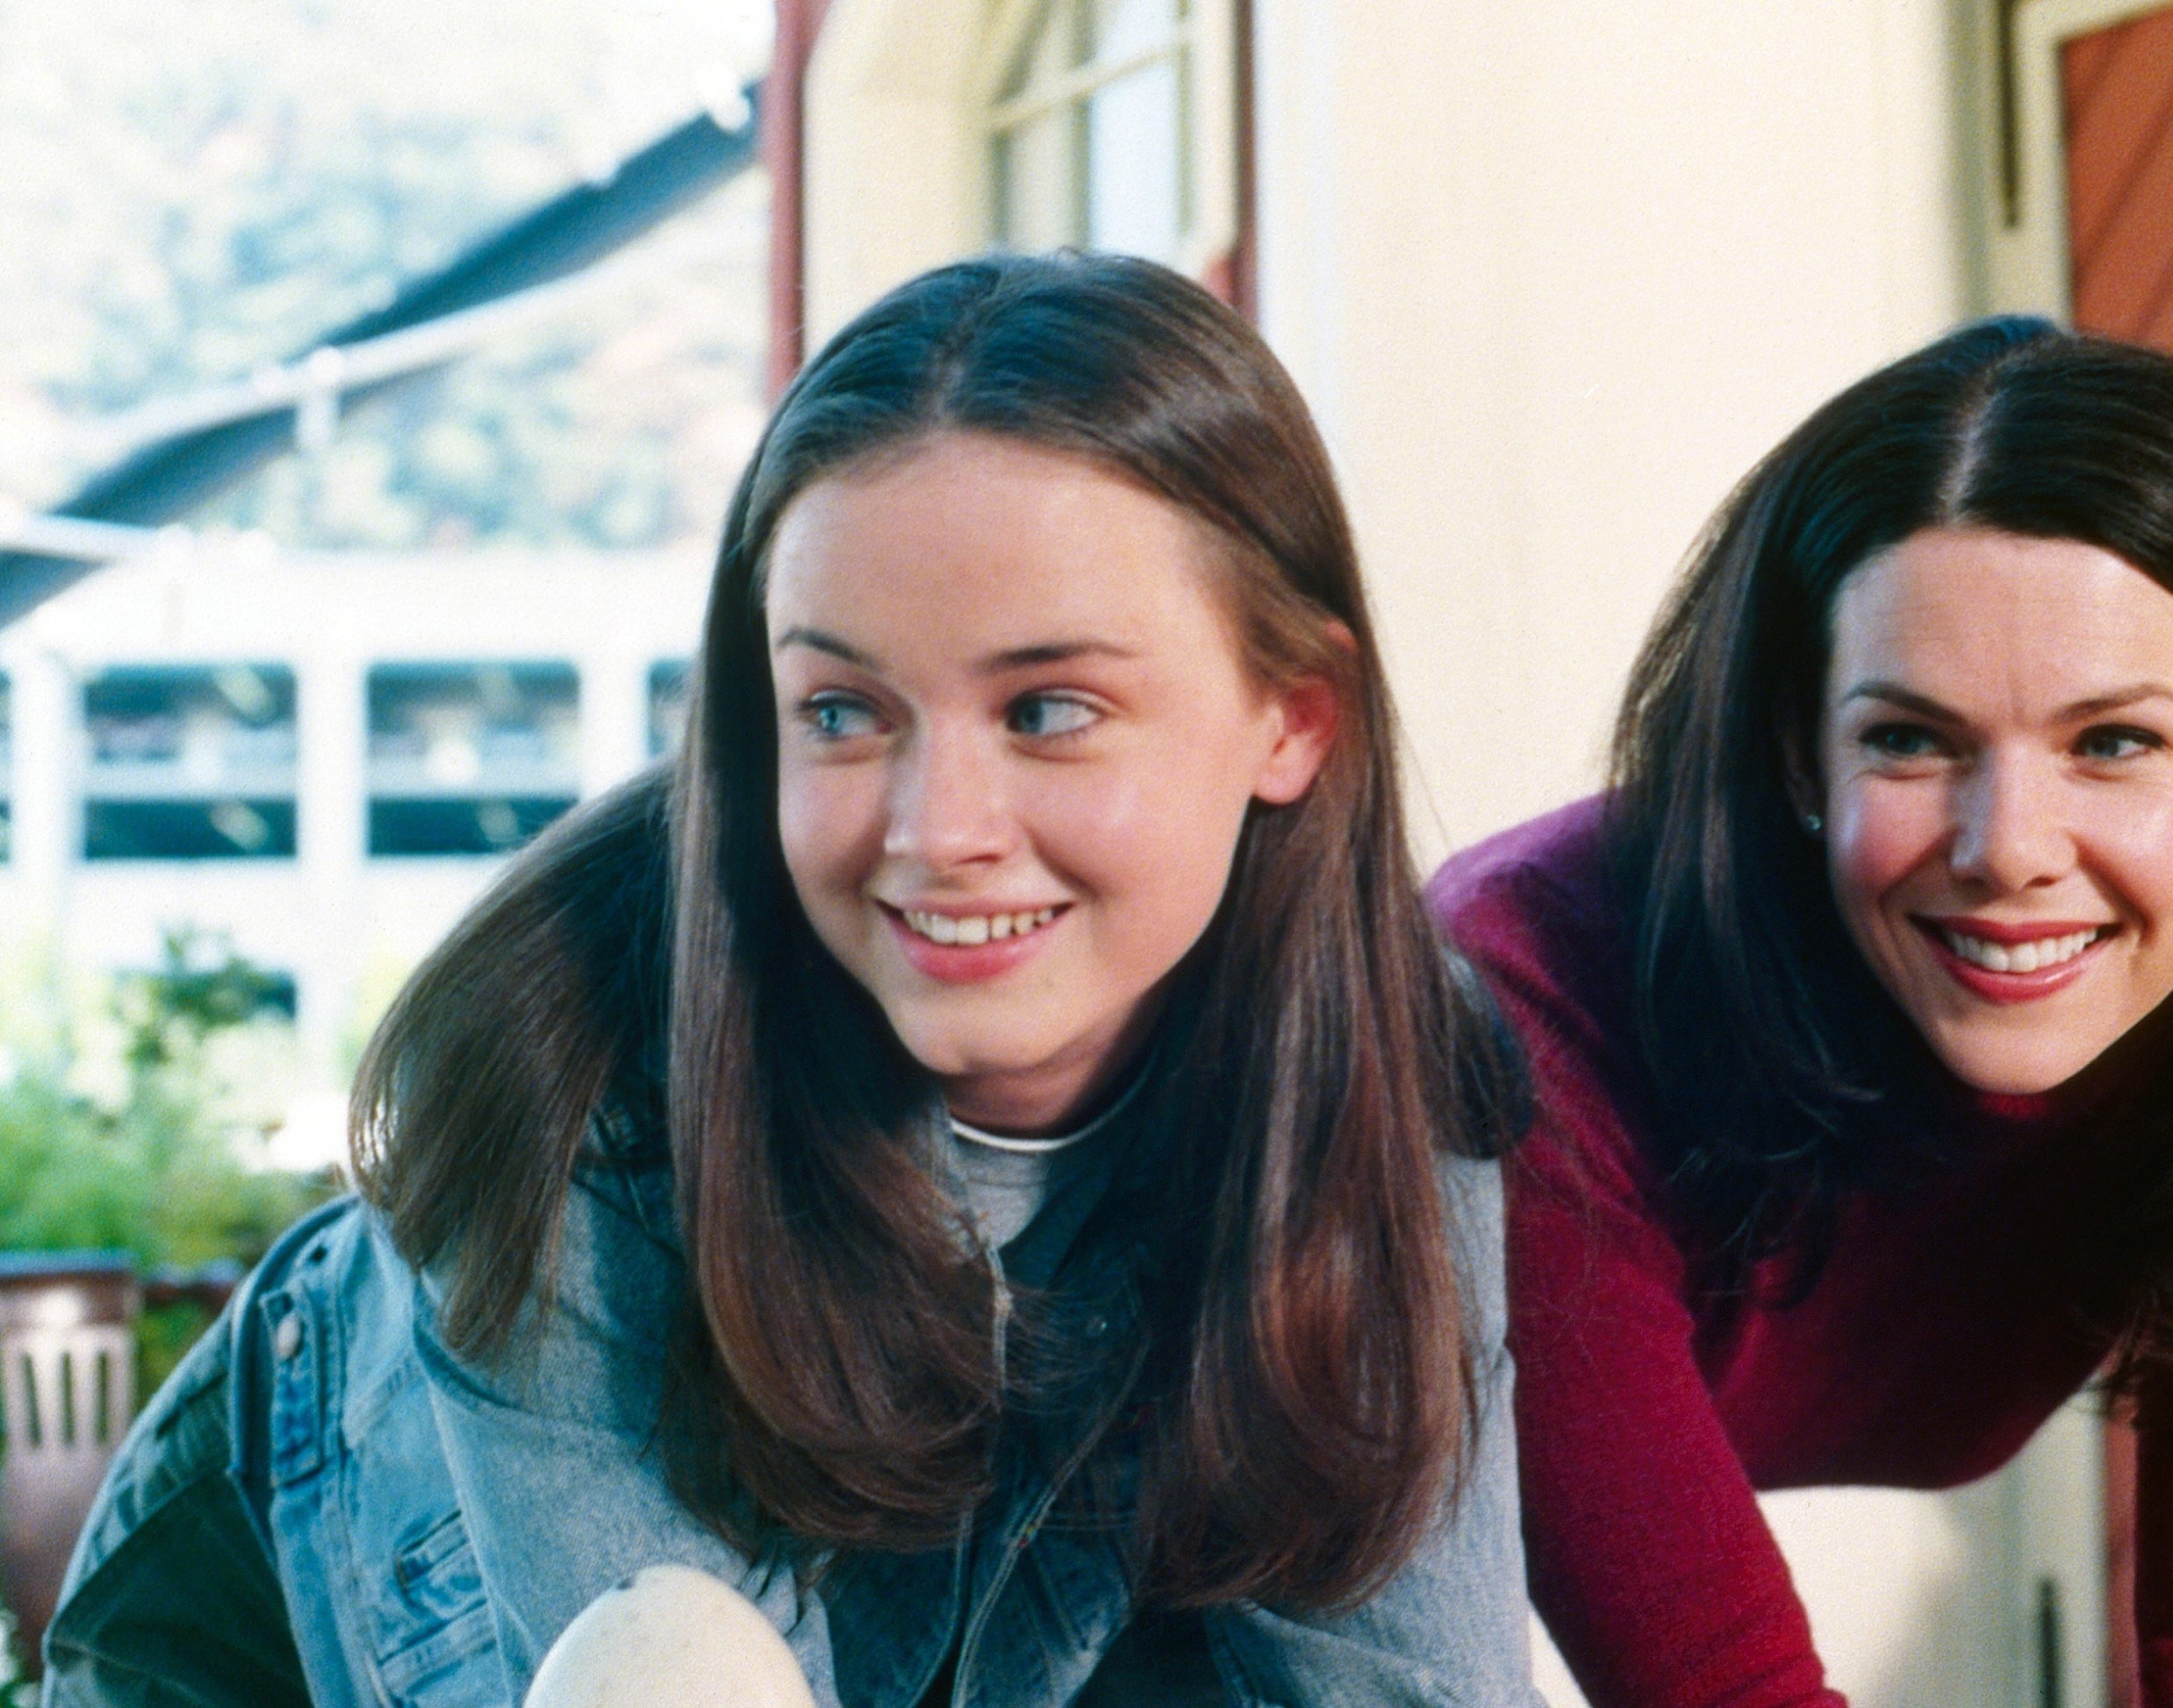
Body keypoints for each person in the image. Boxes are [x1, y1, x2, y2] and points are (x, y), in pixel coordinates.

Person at [46, 251, 1538, 1708]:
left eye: (1050, 709)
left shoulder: (1385, 1067)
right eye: (840, 708)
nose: (936, 829)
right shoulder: (568, 1061)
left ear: (1293, 717)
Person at [1431, 317, 2173, 1707]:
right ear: (1797, 754)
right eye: (1910, 737)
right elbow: (1723, 1695)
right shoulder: (1513, 1015)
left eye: (2114, 742)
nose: (2007, 846)